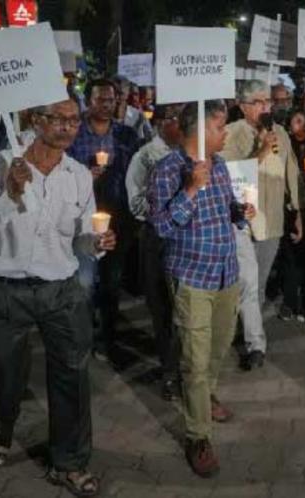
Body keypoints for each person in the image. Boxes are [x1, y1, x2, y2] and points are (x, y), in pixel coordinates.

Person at [0, 99, 116, 496]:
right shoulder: (0, 165)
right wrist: (9, 196)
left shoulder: (79, 175)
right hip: (4, 289)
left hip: (61, 289)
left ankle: (69, 461)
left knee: (72, 374)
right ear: (35, 120)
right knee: (0, 374)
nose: (68, 128)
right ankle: (2, 428)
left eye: (73, 120)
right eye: (58, 119)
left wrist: (97, 241)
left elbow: (82, 237)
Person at [148, 100, 255, 478]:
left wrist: (241, 212)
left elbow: (226, 209)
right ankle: (198, 435)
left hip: (227, 272)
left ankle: (205, 395)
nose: (225, 133)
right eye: (219, 127)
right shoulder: (166, 170)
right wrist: (192, 189)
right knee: (194, 359)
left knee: (219, 345)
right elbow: (160, 227)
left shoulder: (223, 164)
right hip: (192, 277)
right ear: (199, 132)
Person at [220, 79, 302, 370]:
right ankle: (253, 342)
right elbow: (230, 175)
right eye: (258, 102)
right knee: (244, 281)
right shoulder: (230, 134)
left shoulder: (281, 133)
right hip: (241, 221)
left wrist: (297, 211)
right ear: (242, 106)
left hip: (272, 221)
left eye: (268, 101)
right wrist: (261, 151)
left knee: (259, 282)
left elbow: (291, 172)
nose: (265, 107)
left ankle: (248, 334)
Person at [67, 78, 140, 362]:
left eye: (111, 100)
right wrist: (86, 175)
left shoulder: (126, 136)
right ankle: (83, 336)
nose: (107, 106)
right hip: (83, 218)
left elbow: (136, 174)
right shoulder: (75, 135)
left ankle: (106, 338)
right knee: (85, 283)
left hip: (117, 217)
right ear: (88, 101)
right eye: (101, 100)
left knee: (111, 282)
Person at [125, 103, 184, 400]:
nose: (183, 124)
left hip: (187, 240)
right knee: (162, 309)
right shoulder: (145, 157)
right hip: (157, 240)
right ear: (160, 123)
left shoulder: (191, 155)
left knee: (186, 308)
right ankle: (169, 372)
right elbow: (135, 203)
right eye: (176, 118)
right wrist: (167, 207)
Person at [279, 108, 305, 322]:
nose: (299, 126)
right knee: (291, 257)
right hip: (291, 206)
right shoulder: (285, 144)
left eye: (302, 121)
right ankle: (289, 302)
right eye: (295, 121)